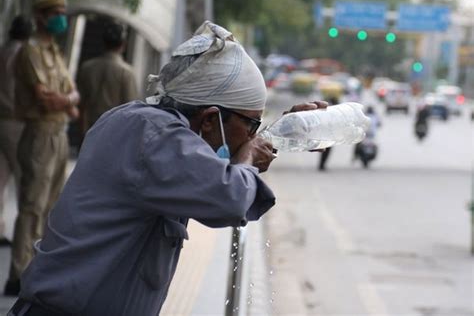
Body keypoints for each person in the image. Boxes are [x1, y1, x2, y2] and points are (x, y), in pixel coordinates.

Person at [7, 21, 327, 315]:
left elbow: (220, 158)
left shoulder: (142, 122)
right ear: (208, 119)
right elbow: (230, 197)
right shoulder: (156, 138)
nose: (253, 135)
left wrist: (283, 132)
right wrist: (248, 157)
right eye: (252, 124)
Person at [4, 0, 80, 297]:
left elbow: (72, 95)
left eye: (63, 11)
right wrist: (66, 102)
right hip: (38, 134)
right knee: (32, 206)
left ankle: (37, 271)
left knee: (52, 208)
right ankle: (17, 274)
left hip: (58, 134)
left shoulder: (55, 52)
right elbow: (44, 97)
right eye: (55, 13)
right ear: (40, 17)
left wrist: (65, 102)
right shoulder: (31, 51)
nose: (61, 17)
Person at [0, 16, 32, 246]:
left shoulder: (3, 50)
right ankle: (26, 235)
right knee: (25, 179)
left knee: (1, 177)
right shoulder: (26, 55)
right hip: (17, 121)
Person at [77, 20, 139, 139]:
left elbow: (81, 105)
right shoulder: (127, 73)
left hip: (90, 131)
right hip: (113, 136)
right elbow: (130, 110)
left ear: (104, 42)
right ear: (123, 44)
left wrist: (83, 134)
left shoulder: (87, 67)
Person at [318, 97, 339, 171]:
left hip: (325, 135)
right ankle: (322, 165)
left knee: (323, 151)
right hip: (329, 135)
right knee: (326, 151)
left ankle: (321, 164)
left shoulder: (326, 111)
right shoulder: (334, 112)